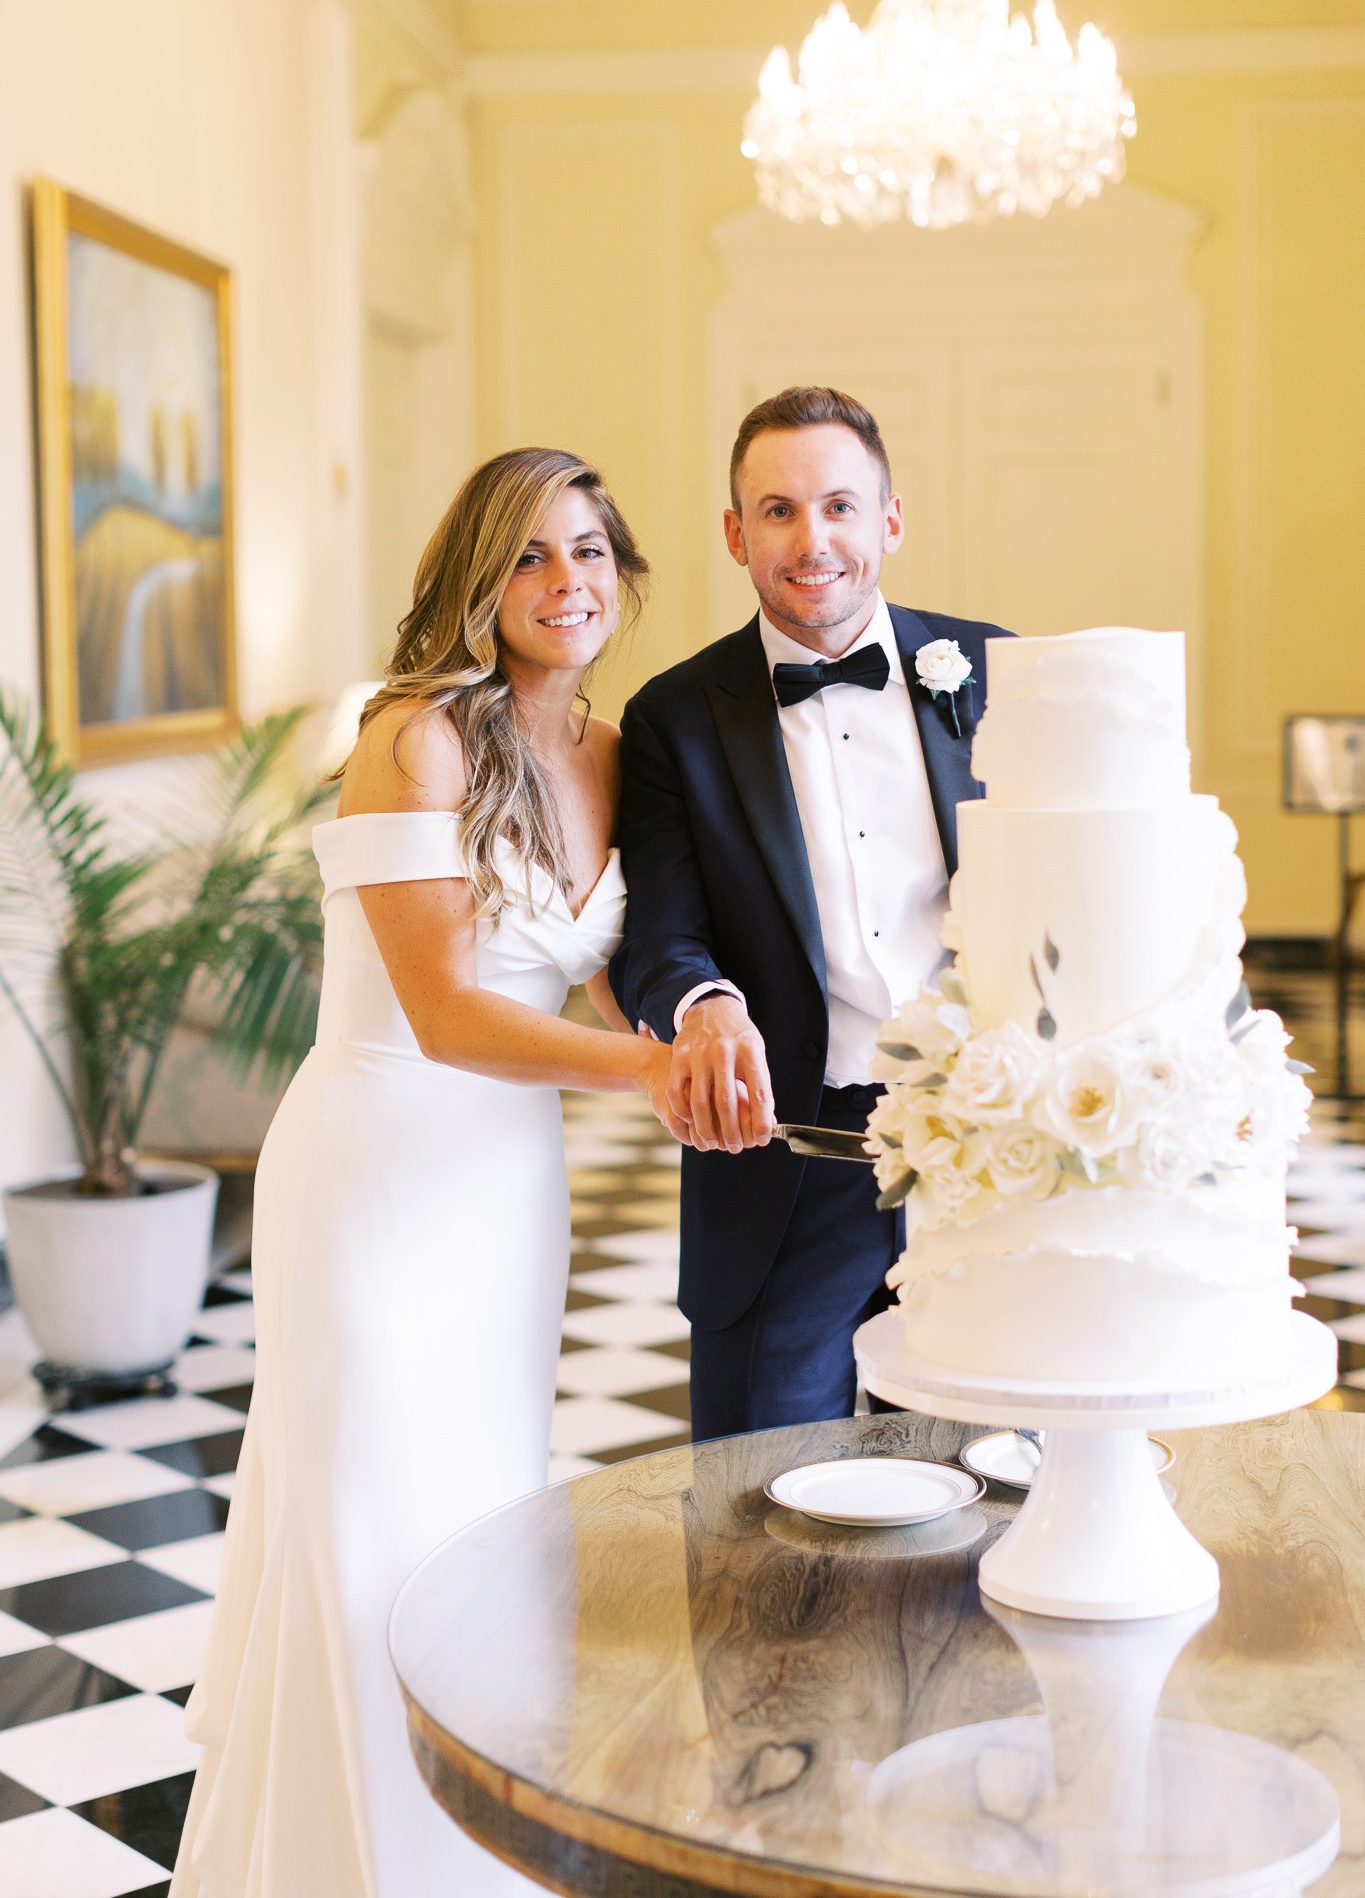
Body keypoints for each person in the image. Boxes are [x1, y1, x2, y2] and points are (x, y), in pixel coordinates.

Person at [172, 448, 688, 1898]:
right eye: (528, 556)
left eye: (587, 550)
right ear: (476, 577)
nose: (564, 582)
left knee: (471, 1517)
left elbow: (586, 977)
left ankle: (461, 1852)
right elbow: (451, 1012)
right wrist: (650, 1076)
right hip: (377, 1179)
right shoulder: (415, 735)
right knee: (365, 1523)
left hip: (507, 1195)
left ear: (623, 570)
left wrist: (694, 1045)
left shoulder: (603, 749)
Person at [609, 385, 1010, 1442]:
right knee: (762, 1506)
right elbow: (660, 931)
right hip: (790, 1154)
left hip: (989, 1150)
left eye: (839, 504)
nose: (812, 537)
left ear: (890, 518)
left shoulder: (997, 673)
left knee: (992, 1486)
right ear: (737, 533)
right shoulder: (673, 718)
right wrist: (703, 1006)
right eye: (778, 510)